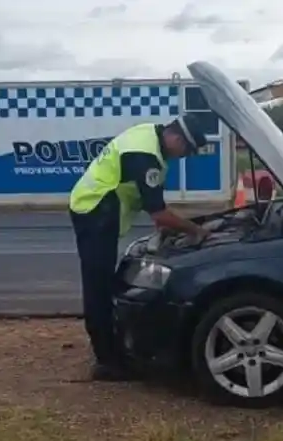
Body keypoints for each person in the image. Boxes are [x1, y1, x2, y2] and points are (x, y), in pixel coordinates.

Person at [69, 115, 210, 381]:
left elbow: (151, 201)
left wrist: (169, 227)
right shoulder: (145, 155)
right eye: (187, 151)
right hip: (95, 208)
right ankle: (106, 362)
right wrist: (196, 230)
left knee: (106, 282)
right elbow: (159, 214)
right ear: (178, 139)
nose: (185, 157)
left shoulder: (149, 137)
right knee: (98, 286)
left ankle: (113, 346)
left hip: (99, 208)